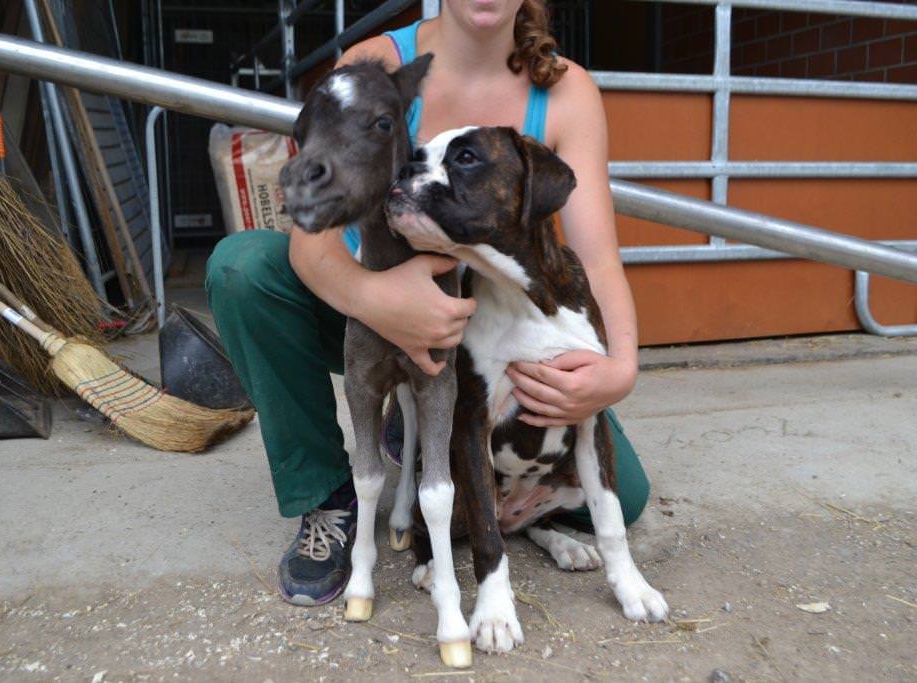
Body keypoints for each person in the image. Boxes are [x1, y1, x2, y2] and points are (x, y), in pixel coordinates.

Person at [206, 0, 650, 607]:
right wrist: (375, 299)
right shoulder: (378, 64)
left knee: (628, 497)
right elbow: (313, 234)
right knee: (244, 269)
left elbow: (596, 260)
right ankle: (327, 495)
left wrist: (620, 370)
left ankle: (427, 406)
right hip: (370, 309)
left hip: (498, 329)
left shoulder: (565, 90)